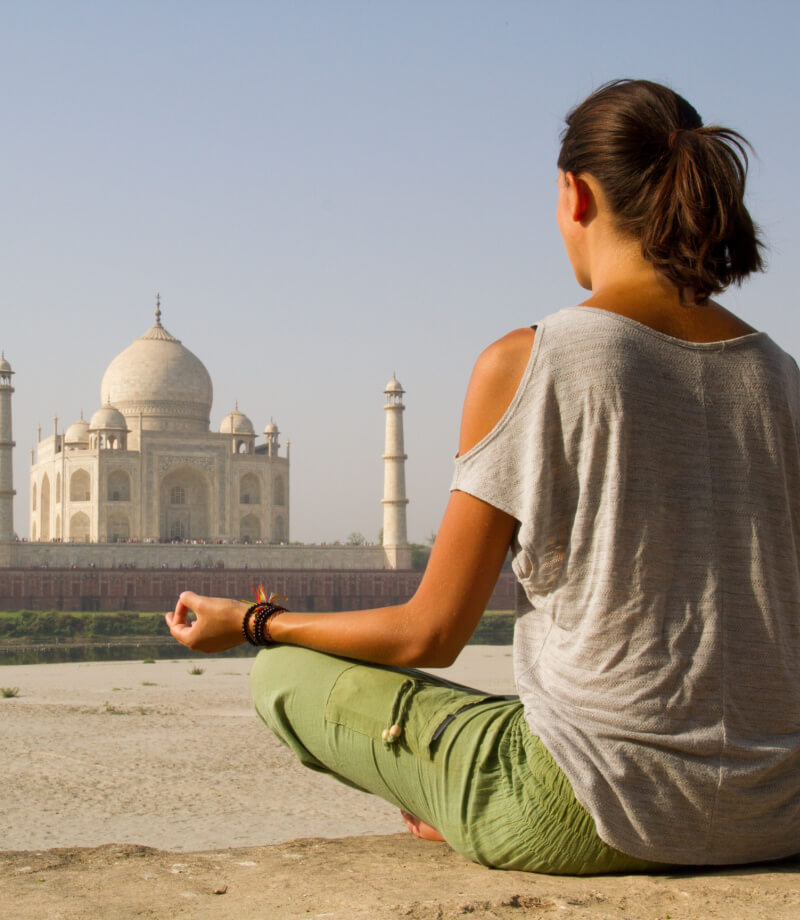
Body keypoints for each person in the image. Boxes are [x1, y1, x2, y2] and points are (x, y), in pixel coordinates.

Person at [167, 79, 800, 874]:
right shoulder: (782, 375)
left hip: (588, 813)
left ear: (574, 194)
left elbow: (431, 634)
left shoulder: (535, 357)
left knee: (284, 676)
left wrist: (256, 623)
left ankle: (457, 796)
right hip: (777, 807)